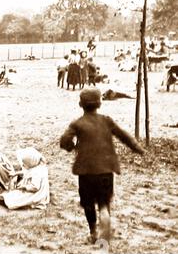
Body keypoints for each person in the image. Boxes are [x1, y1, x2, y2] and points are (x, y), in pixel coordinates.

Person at [60, 88, 145, 245]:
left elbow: (65, 140)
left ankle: (93, 231)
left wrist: (71, 147)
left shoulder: (77, 124)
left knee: (87, 202)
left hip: (86, 171)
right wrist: (137, 148)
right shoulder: (107, 121)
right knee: (104, 200)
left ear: (80, 104)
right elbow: (123, 135)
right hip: (106, 169)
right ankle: (105, 213)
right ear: (100, 103)